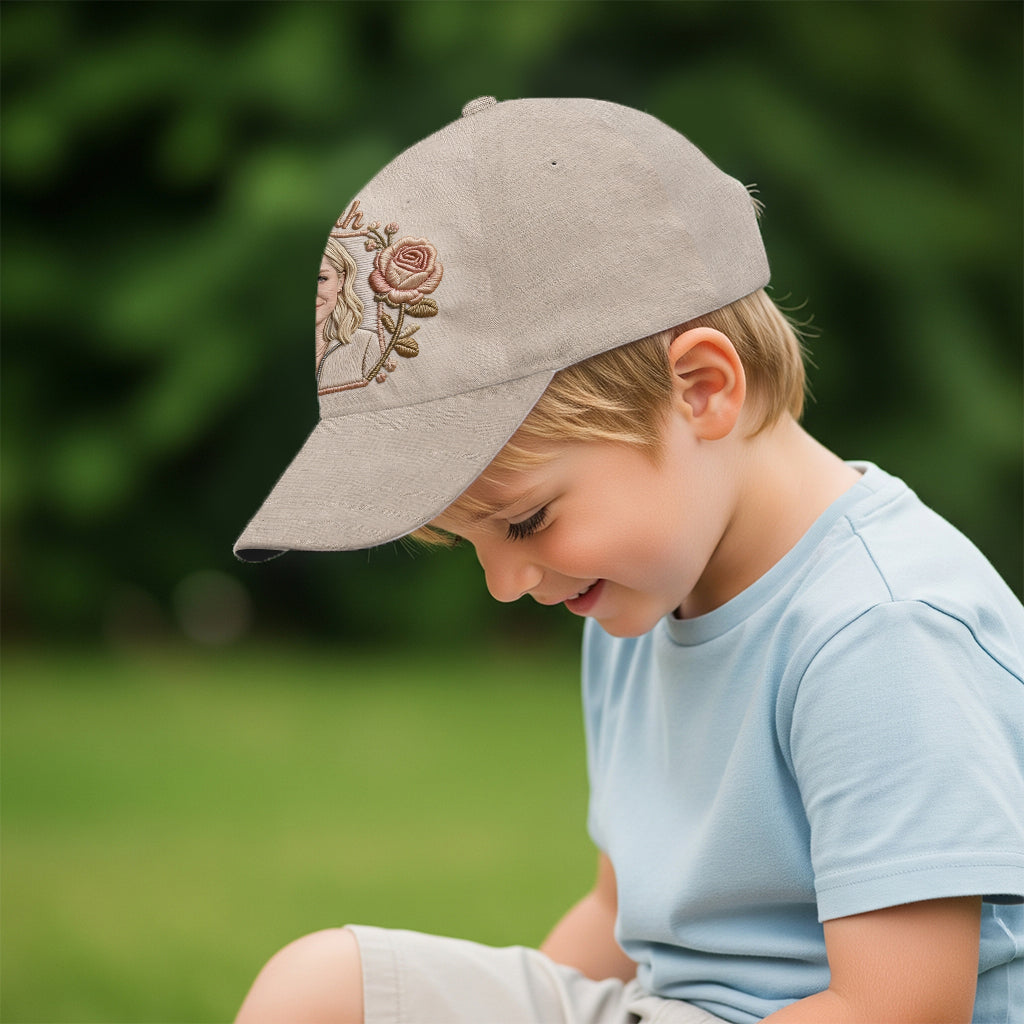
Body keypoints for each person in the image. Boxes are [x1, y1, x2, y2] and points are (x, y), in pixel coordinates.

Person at [232, 97, 1024, 1023]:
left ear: (701, 390)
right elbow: (620, 918)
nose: (504, 584)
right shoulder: (635, 596)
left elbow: (899, 1009)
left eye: (524, 523)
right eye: (471, 543)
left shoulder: (879, 629)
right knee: (322, 990)